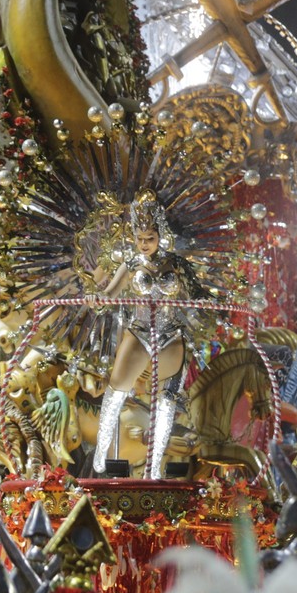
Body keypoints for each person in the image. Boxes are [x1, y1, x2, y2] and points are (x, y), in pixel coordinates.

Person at [92, 192, 201, 479]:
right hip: (139, 332)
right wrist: (99, 299)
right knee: (116, 390)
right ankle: (101, 455)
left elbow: (196, 297)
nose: (144, 244)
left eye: (149, 238)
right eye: (139, 238)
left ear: (160, 235)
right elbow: (110, 293)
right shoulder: (130, 265)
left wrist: (199, 306)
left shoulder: (176, 265)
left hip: (169, 335)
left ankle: (153, 469)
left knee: (166, 401)